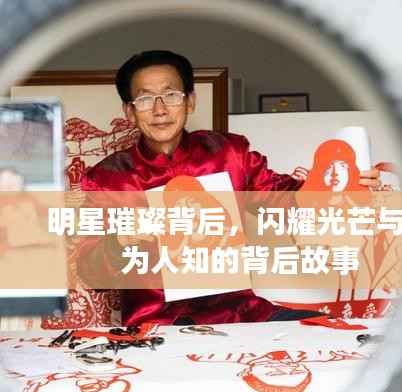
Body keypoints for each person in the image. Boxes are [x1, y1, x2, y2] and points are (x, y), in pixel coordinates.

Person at [81, 50, 379, 326]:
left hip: (241, 314)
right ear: (130, 111)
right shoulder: (107, 180)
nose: (160, 109)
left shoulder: (229, 153)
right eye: (145, 99)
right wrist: (121, 239)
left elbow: (283, 199)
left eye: (171, 95)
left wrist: (338, 188)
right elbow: (91, 273)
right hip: (158, 323)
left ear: (190, 101)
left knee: (331, 332)